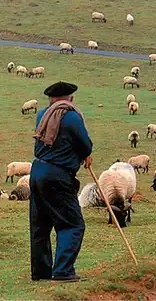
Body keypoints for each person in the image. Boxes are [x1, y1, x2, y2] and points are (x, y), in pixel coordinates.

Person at [29, 81, 93, 282]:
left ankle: (41, 273)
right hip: (57, 176)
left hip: (37, 171)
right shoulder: (71, 117)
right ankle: (63, 271)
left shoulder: (42, 114)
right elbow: (85, 144)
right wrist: (84, 154)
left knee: (40, 225)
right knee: (72, 224)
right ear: (70, 98)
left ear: (50, 99)